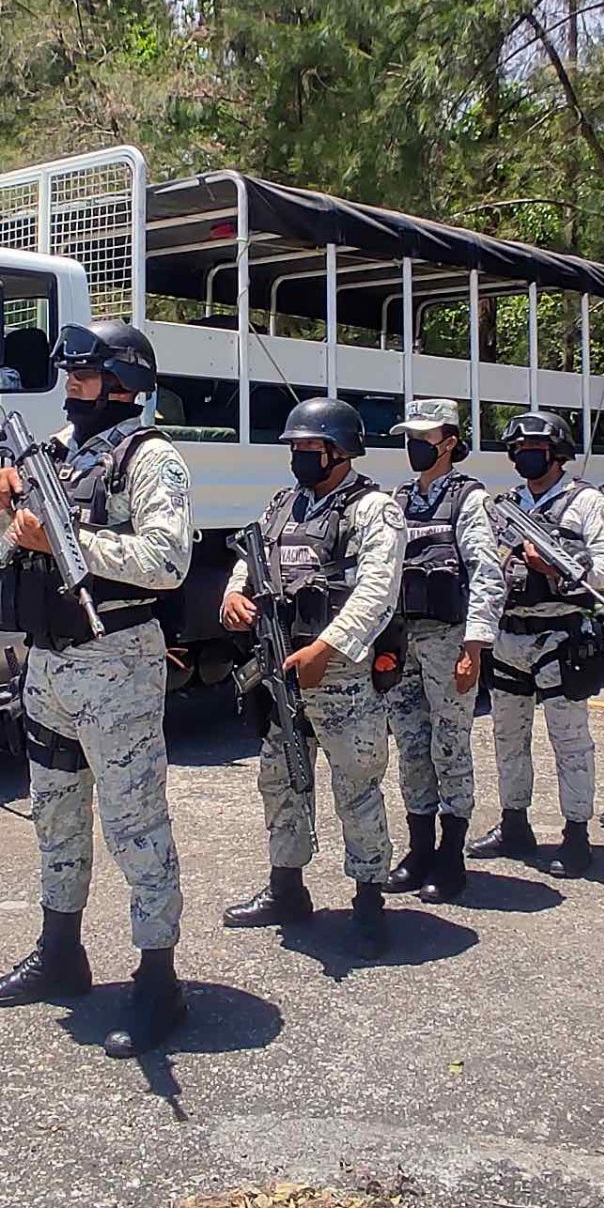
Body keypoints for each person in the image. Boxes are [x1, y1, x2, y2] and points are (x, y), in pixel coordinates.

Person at [0, 320, 194, 1058]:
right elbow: (14, 544)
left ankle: (159, 982)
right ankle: (60, 953)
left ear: (126, 384)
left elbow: (167, 561)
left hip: (117, 661)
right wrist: (6, 504)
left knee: (136, 826)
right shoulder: (62, 453)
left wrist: (66, 540)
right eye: (71, 372)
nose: (73, 383)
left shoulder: (151, 458)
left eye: (88, 373)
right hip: (50, 663)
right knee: (54, 816)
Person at [220, 397, 406, 952]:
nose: (299, 456)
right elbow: (250, 559)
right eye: (295, 447)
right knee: (280, 781)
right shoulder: (283, 505)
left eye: (310, 447)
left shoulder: (373, 510)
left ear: (340, 450)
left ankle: (369, 902)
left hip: (340, 673)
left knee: (357, 787)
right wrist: (233, 594)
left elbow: (378, 591)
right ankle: (286, 887)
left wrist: (327, 647)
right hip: (282, 670)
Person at [471, 410, 604, 877]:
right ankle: (514, 822)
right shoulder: (508, 504)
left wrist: (558, 567)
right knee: (507, 736)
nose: (524, 456)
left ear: (557, 452)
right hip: (510, 633)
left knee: (570, 740)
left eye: (534, 449)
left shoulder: (586, 503)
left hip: (560, 634)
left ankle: (576, 834)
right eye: (517, 449)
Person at [383, 398, 505, 903]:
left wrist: (474, 644)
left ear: (450, 443)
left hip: (449, 640)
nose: (413, 446)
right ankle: (419, 849)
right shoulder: (398, 499)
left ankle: (451, 855)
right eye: (408, 437)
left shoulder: (469, 500)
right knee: (411, 747)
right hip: (403, 642)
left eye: (423, 438)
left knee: (450, 745)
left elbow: (486, 573)